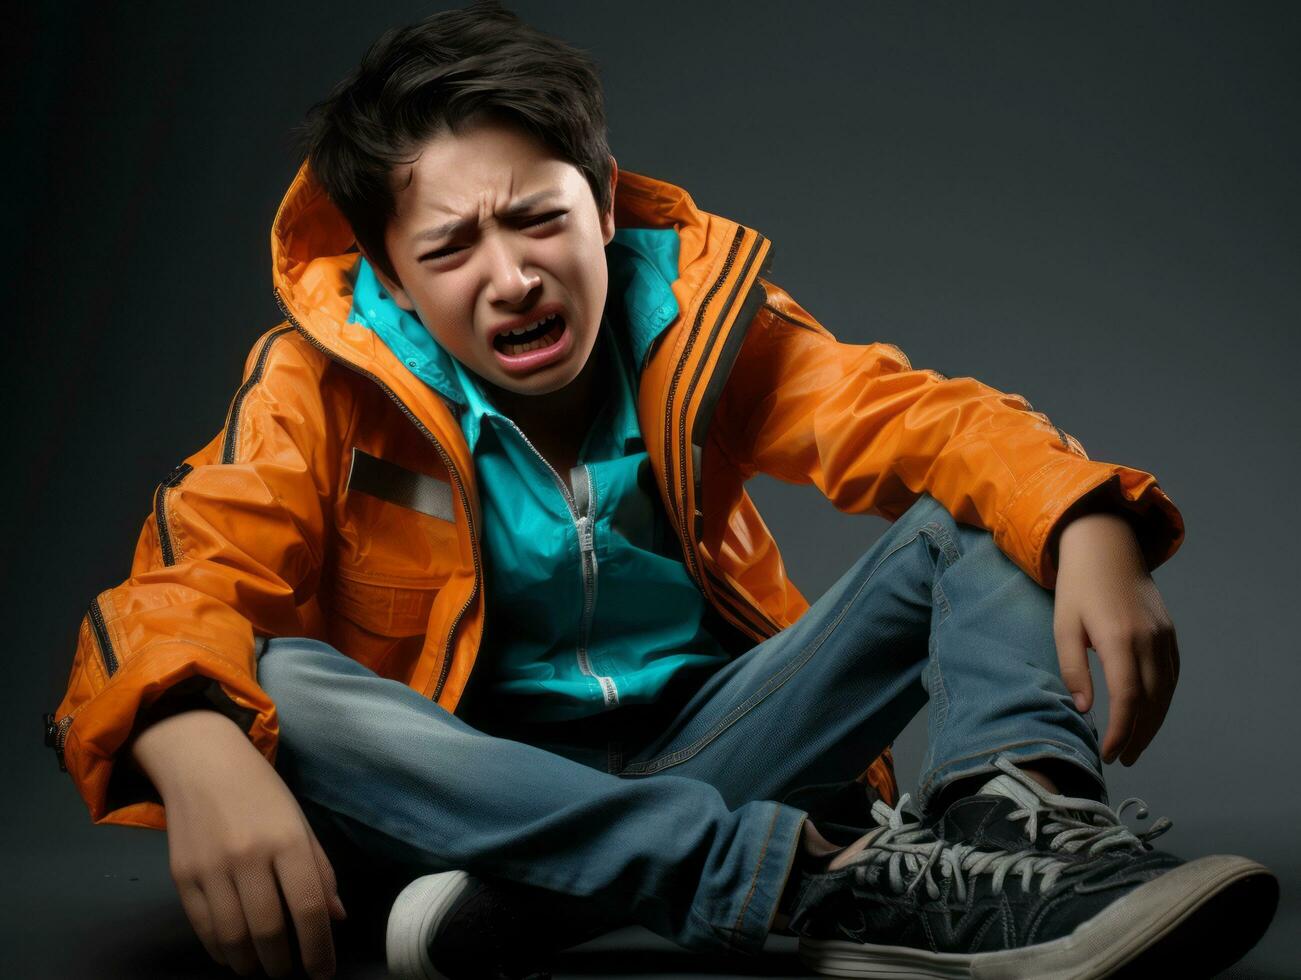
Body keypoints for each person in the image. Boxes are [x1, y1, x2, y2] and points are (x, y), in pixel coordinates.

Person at [43, 2, 1278, 978]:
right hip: (465, 790)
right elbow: (175, 588)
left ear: (602, 195)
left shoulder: (692, 322)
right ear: (394, 279)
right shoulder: (314, 388)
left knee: (981, 503)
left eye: (538, 220)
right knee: (274, 675)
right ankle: (820, 885)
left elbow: (921, 422)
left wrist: (1086, 515)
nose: (513, 276)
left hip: (719, 752)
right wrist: (188, 734)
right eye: (452, 248)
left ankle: (1021, 847)